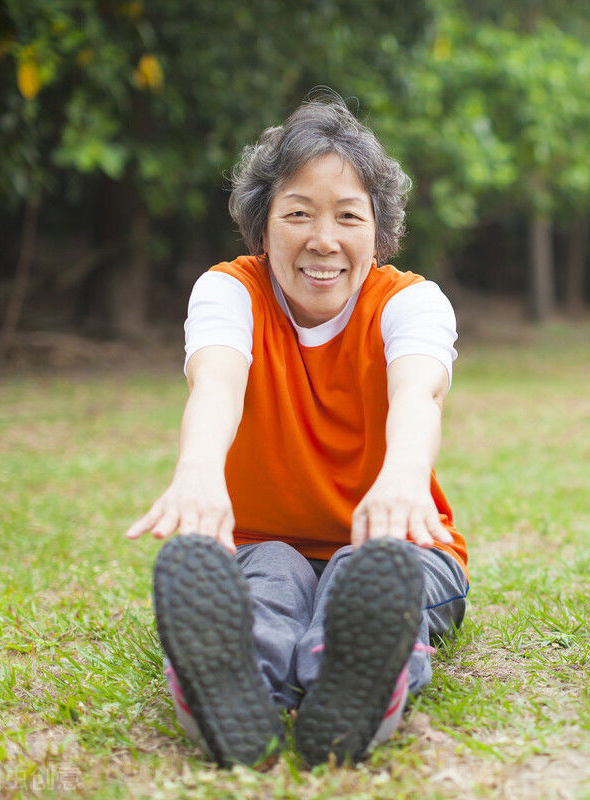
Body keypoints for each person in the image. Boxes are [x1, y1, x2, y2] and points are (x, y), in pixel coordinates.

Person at [125, 91, 468, 768]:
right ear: (262, 226)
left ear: (379, 232)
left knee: (364, 573)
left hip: (397, 544)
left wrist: (402, 478)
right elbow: (216, 382)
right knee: (271, 578)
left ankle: (363, 679)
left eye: (348, 216)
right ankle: (229, 690)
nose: (323, 240)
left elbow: (418, 395)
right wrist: (197, 472)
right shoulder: (229, 291)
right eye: (298, 214)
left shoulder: (412, 303)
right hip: (263, 540)